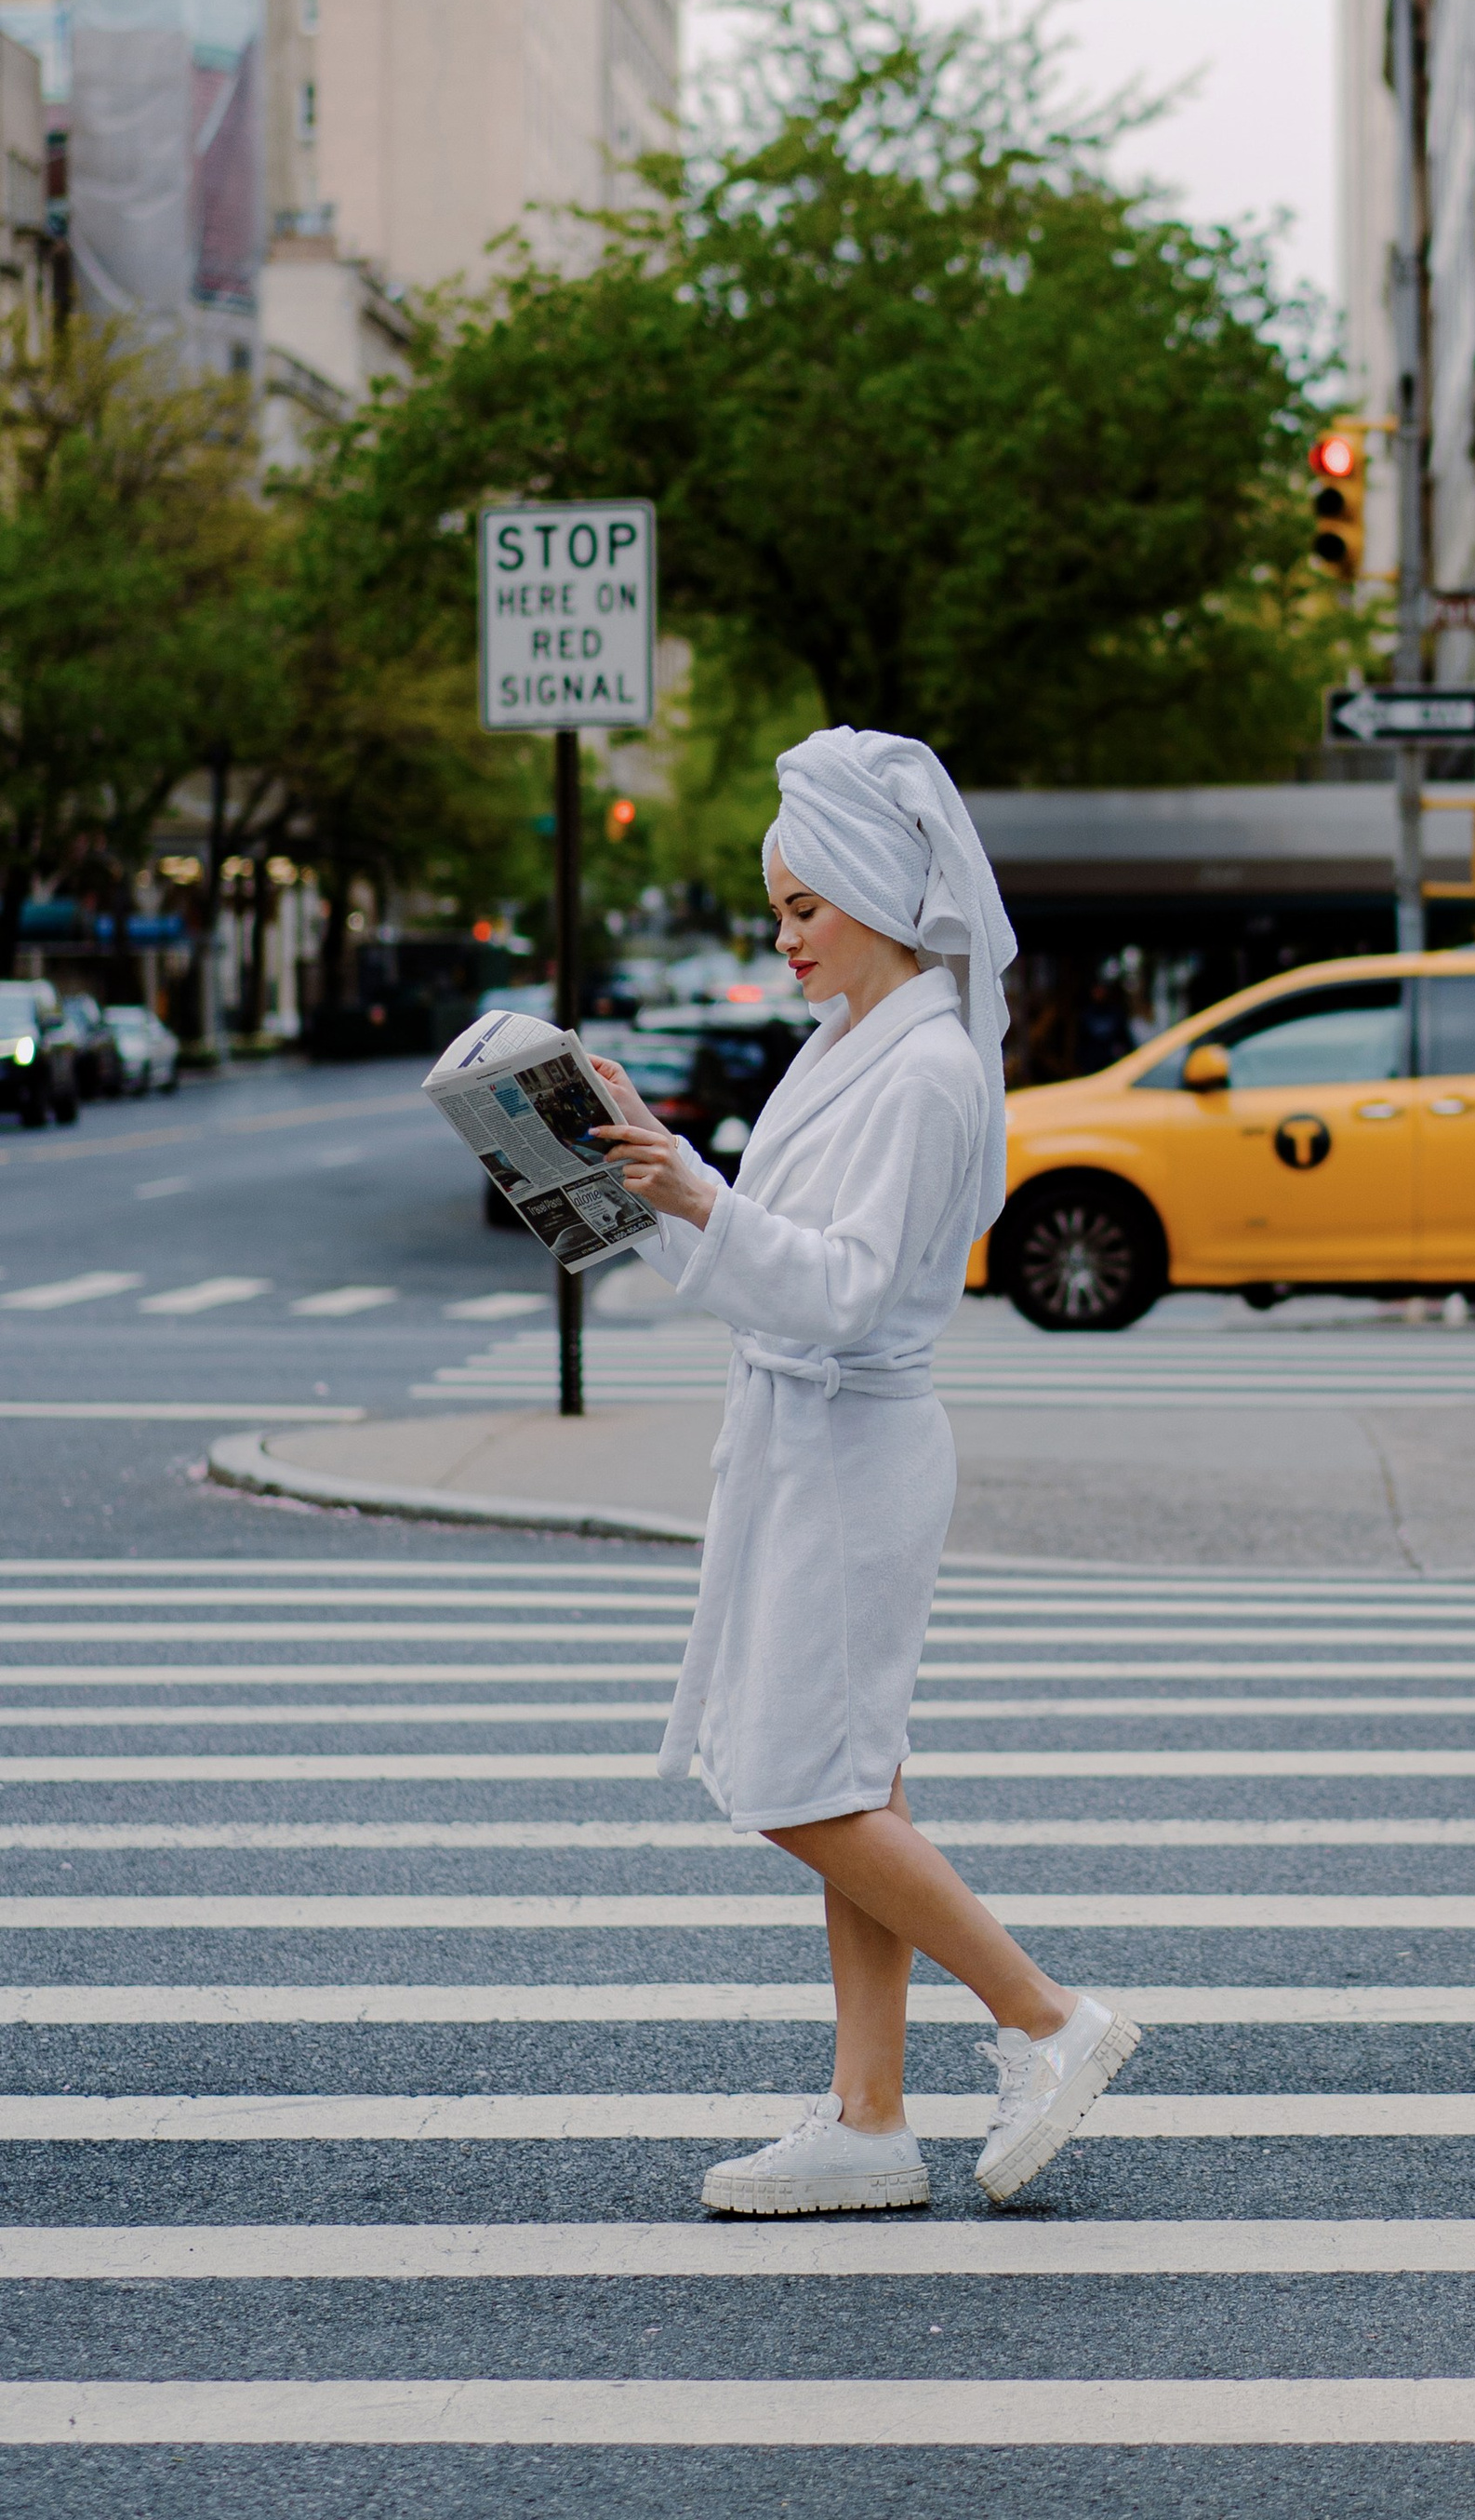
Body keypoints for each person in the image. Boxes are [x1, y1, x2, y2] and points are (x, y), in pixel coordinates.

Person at [585, 726, 1138, 2217]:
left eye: (803, 907)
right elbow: (765, 1256)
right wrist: (641, 1172)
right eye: (780, 908)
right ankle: (871, 2115)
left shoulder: (928, 1070)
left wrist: (697, 1191)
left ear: (882, 894)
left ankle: (1045, 2017)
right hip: (813, 1443)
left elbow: (837, 1291)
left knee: (790, 1779)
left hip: (853, 1443)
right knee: (848, 1776)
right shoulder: (849, 1047)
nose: (784, 936)